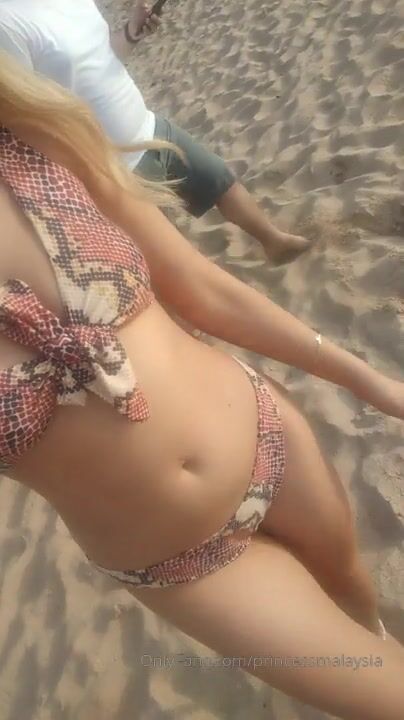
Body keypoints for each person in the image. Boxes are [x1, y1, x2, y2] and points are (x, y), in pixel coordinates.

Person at [1, 50, 404, 720]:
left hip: (266, 430)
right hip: (183, 562)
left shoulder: (27, 139)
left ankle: (376, 630)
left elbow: (202, 289)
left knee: (349, 582)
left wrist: (370, 382)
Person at [0, 0, 310, 262]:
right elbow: (27, 119)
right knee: (174, 259)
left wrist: (131, 32)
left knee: (220, 181)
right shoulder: (6, 25)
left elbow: (103, 57)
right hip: (112, 165)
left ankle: (275, 242)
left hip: (149, 125)